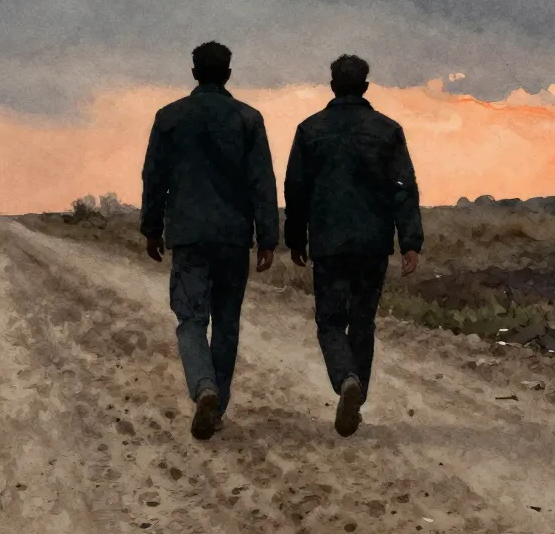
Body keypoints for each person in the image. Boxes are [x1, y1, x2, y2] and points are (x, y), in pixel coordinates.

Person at [140, 41, 280, 441]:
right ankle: (216, 408)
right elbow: (262, 182)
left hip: (188, 236)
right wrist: (268, 237)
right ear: (229, 74)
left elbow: (154, 177)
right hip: (234, 237)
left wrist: (152, 228)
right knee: (227, 323)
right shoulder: (248, 119)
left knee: (190, 320)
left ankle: (204, 386)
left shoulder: (169, 117)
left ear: (194, 73)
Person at [283, 54, 424, 437]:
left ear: (333, 86)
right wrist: (410, 242)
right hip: (373, 244)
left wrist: (295, 238)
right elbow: (403, 189)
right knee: (363, 322)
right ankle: (355, 398)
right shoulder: (388, 130)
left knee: (330, 321)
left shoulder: (310, 129)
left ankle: (346, 379)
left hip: (328, 243)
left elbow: (296, 189)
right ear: (365, 86)